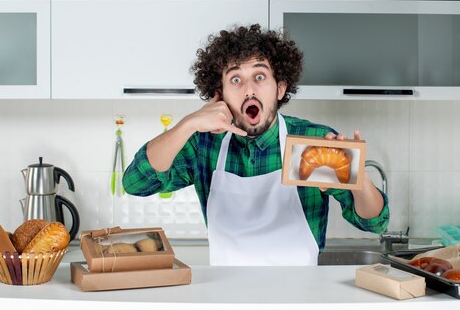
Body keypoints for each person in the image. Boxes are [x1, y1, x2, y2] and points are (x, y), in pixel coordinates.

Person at [123, 24, 389, 266]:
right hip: (226, 297)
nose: (249, 89)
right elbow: (136, 183)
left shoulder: (313, 143)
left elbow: (374, 222)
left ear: (280, 88)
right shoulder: (203, 145)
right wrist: (189, 123)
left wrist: (359, 179)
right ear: (220, 94)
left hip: (301, 298)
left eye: (259, 77)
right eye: (235, 79)